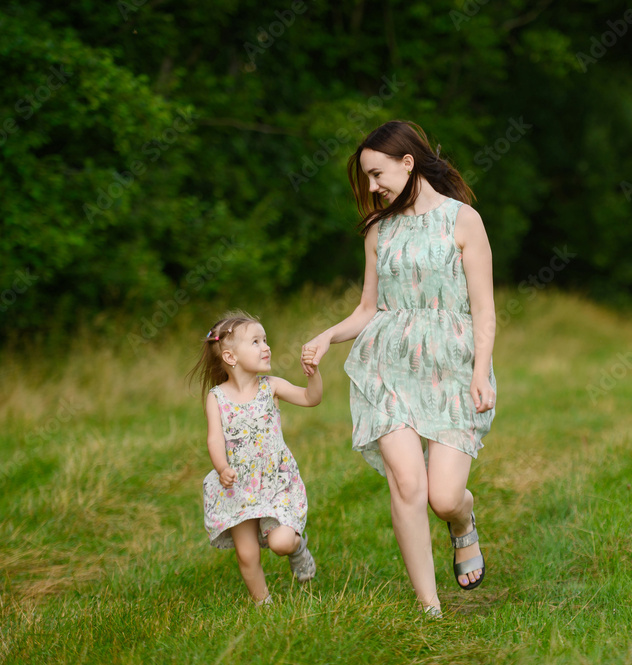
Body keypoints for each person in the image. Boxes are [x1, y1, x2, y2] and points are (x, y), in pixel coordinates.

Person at [300, 120, 497, 616]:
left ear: (408, 163)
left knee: (444, 496)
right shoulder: (378, 230)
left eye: (376, 174)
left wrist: (480, 371)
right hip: (387, 367)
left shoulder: (463, 220)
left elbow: (484, 310)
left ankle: (462, 521)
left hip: (452, 367)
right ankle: (429, 607)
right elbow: (369, 308)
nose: (371, 187)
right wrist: (328, 335)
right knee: (408, 483)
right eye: (367, 178)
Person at [191, 311, 322, 607]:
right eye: (256, 341)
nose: (266, 347)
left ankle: (298, 549)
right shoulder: (217, 397)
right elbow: (214, 438)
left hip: (274, 481)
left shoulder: (270, 386)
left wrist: (313, 375)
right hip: (237, 488)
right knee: (247, 554)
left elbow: (311, 398)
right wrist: (221, 467)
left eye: (265, 340)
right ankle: (264, 605)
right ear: (230, 357)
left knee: (281, 543)